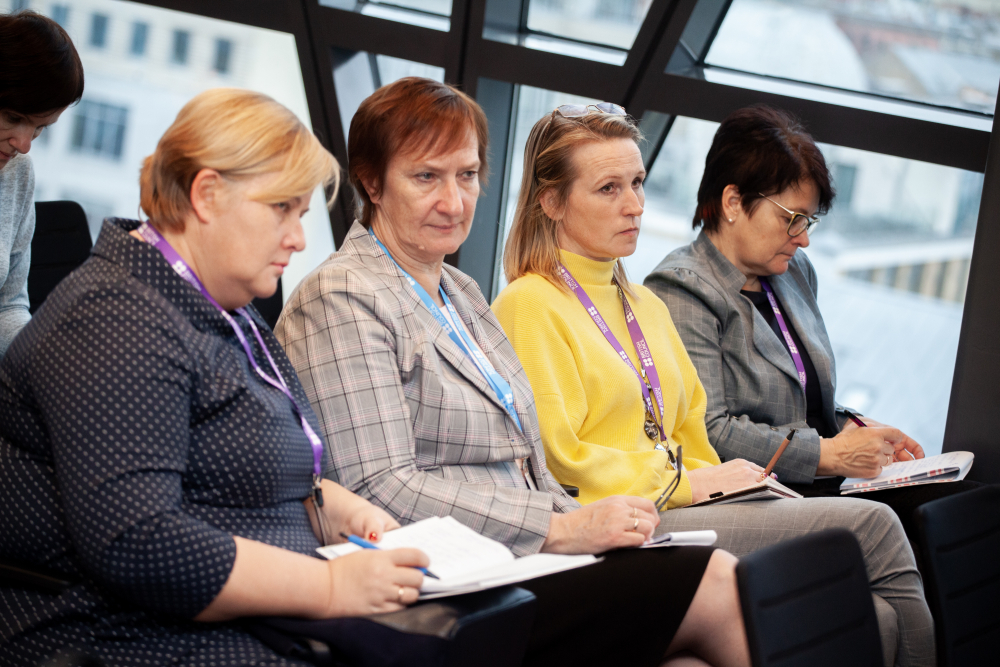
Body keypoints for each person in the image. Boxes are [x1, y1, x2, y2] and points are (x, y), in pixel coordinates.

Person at [277, 77, 750, 667]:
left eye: (467, 175)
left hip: (518, 562)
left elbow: (525, 464)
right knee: (716, 579)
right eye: (426, 177)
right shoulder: (342, 295)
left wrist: (586, 522)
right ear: (372, 183)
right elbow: (379, 486)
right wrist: (562, 530)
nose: (454, 202)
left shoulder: (460, 291)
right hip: (449, 586)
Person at [0, 89, 434, 667]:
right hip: (122, 636)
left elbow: (241, 467)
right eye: (281, 209)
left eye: (301, 215)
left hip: (234, 623)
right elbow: (141, 542)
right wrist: (329, 588)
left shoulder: (222, 308)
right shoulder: (113, 319)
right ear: (206, 195)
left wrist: (333, 509)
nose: (298, 238)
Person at [491, 103, 935, 667]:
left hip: (690, 498)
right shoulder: (529, 304)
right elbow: (560, 461)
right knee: (875, 526)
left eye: (637, 183)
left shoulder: (643, 304)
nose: (635, 205)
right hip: (638, 513)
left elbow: (690, 429)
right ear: (551, 202)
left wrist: (730, 484)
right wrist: (691, 483)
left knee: (877, 618)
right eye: (608, 189)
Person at [643, 104, 979, 539]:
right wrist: (831, 454)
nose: (803, 238)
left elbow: (803, 400)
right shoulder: (682, 288)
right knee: (916, 524)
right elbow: (711, 431)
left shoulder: (793, 273)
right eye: (791, 219)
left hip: (819, 481)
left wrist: (855, 428)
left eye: (809, 221)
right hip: (757, 495)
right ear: (732, 202)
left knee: (965, 504)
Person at [0, 9, 84, 356]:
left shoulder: (17, 172)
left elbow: (7, 307)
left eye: (38, 129)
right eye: (13, 117)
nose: (23, 145)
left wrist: (45, 360)